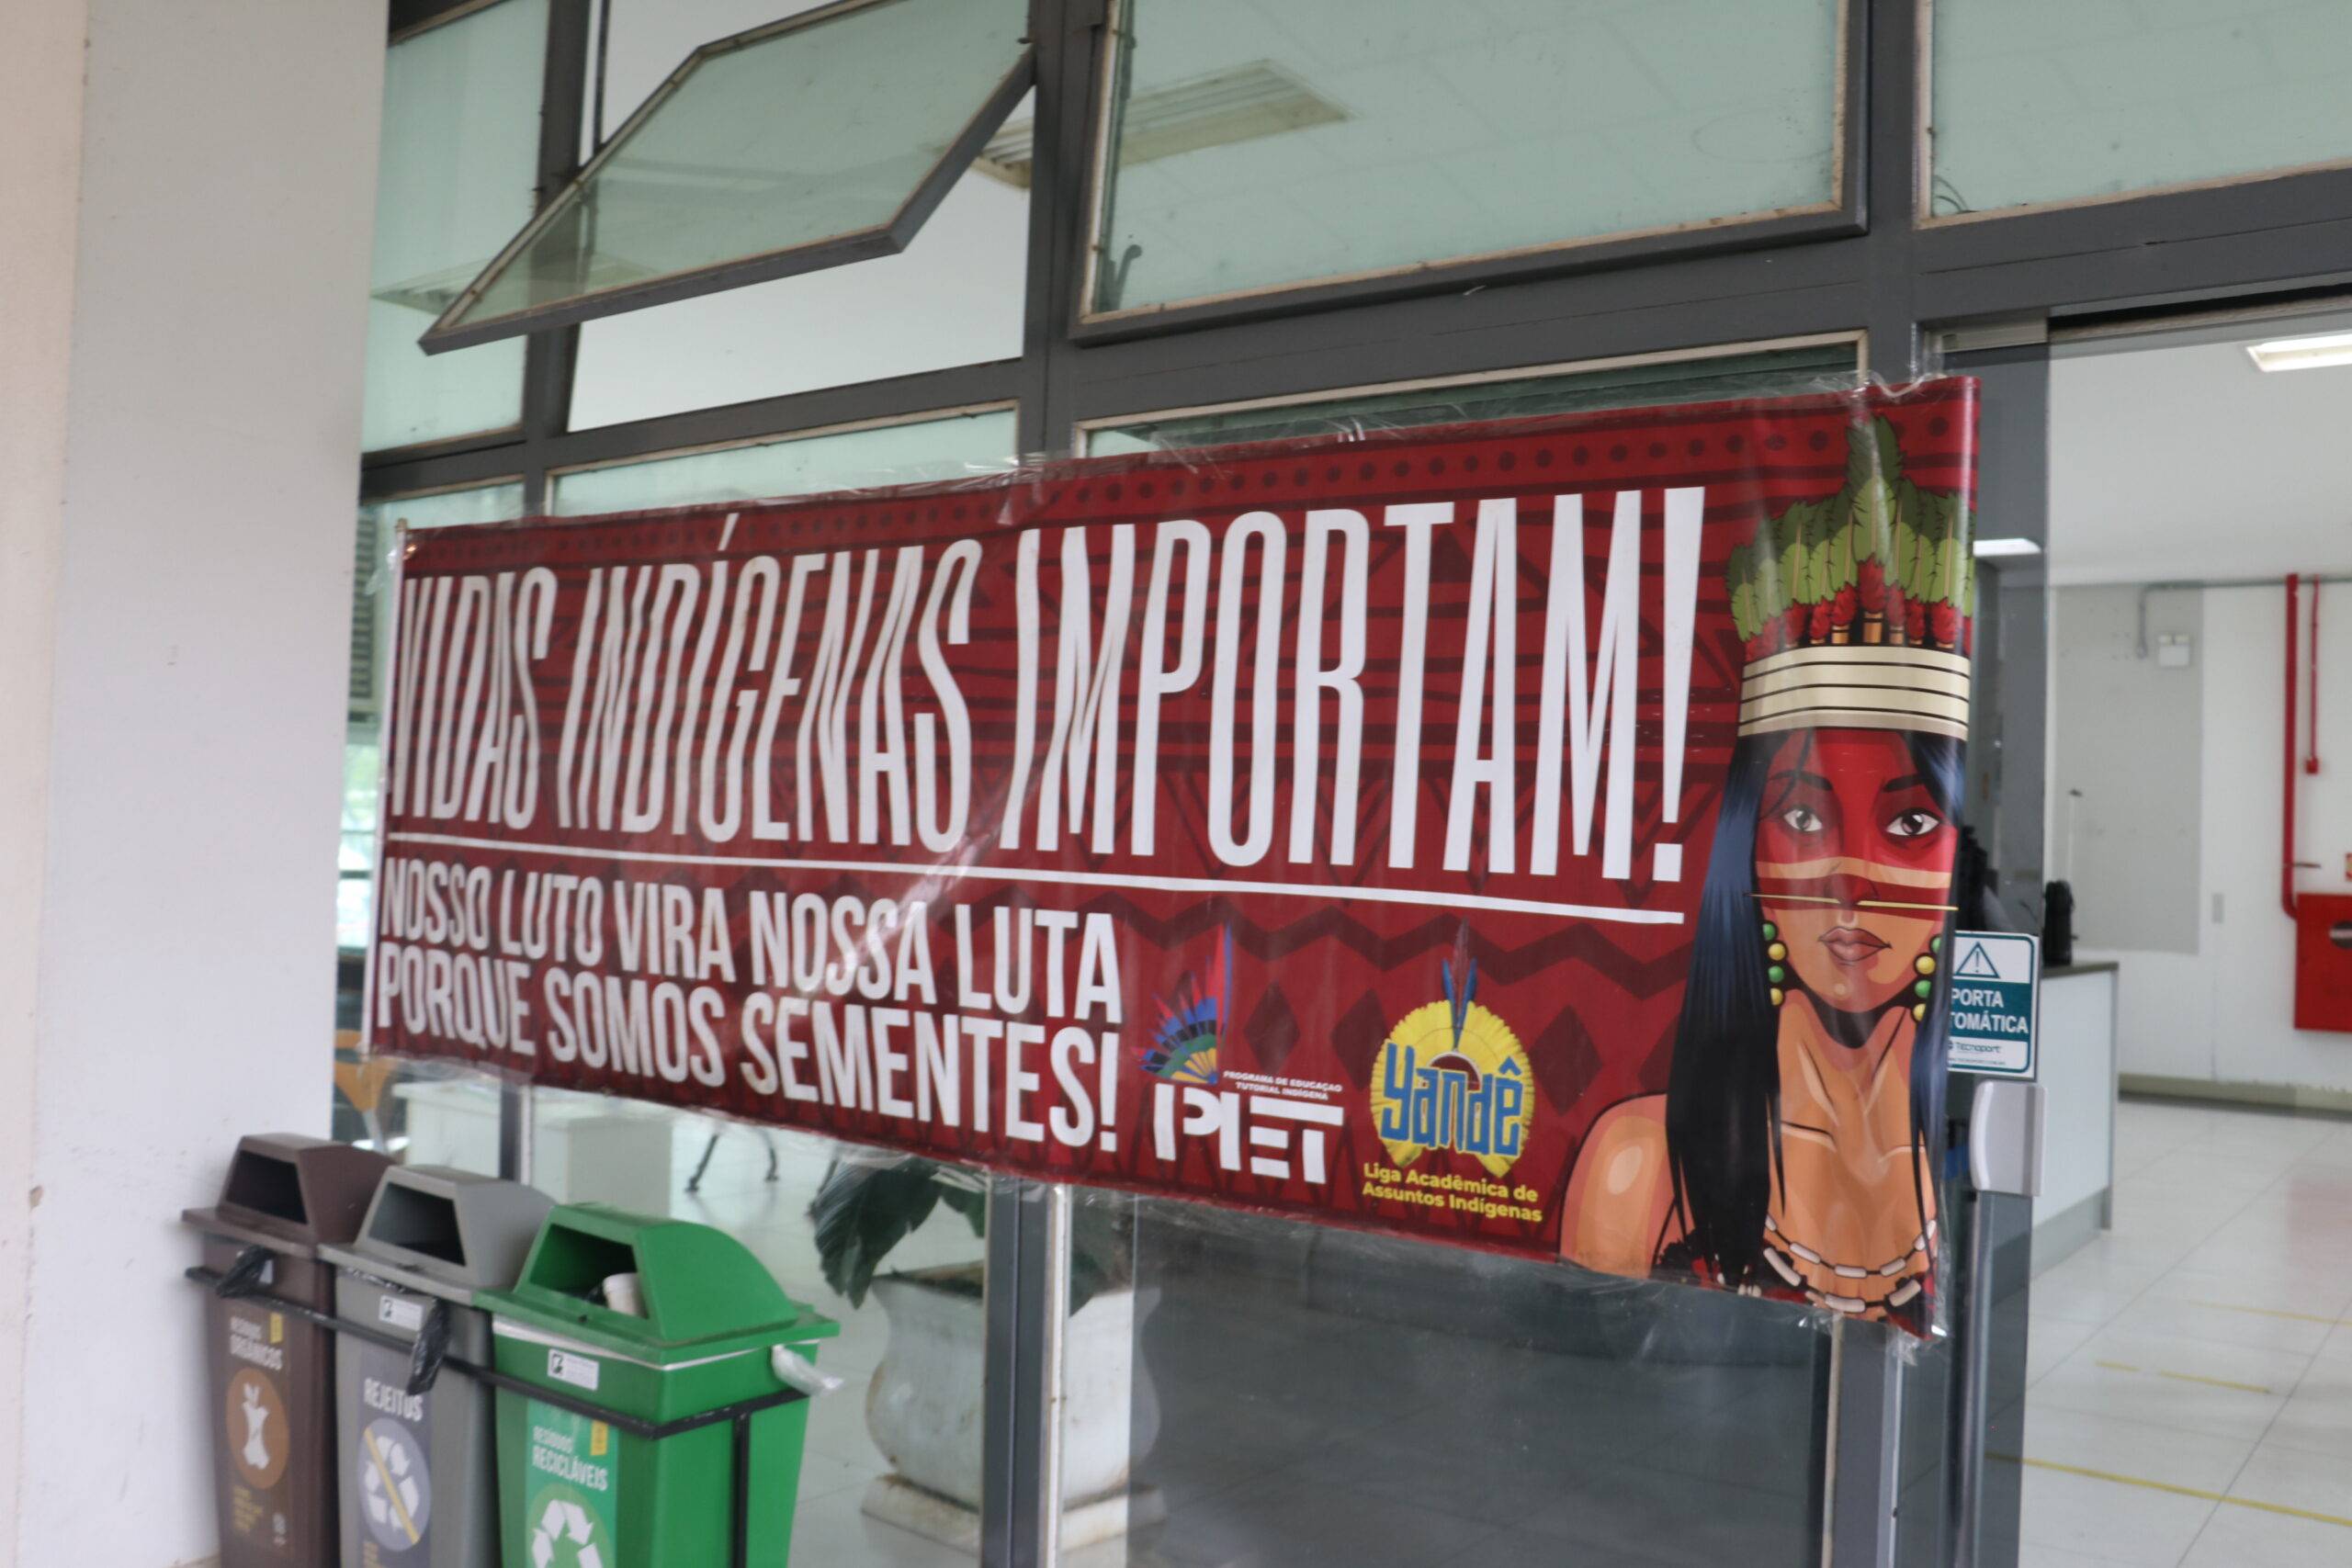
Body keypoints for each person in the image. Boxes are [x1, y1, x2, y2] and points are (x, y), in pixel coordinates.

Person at [1562, 418, 1970, 1330]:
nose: (1851, 880)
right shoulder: (1642, 1162)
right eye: (1803, 818)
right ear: (1748, 844)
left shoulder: (1963, 1150)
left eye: (1910, 824)